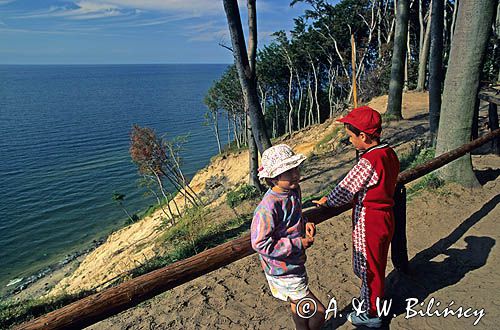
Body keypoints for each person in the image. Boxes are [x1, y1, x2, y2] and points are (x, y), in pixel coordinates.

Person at [314, 106, 400, 328]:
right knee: (376, 263)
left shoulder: (369, 160)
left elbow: (346, 188)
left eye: (351, 137)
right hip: (386, 216)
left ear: (363, 136)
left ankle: (372, 314)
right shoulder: (389, 153)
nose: (350, 141)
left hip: (370, 220)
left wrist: (327, 202)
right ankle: (373, 301)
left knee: (369, 268)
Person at [251, 144, 325, 330]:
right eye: (288, 171)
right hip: (283, 269)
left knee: (296, 303)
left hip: (294, 262)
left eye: (295, 169)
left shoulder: (293, 191)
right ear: (273, 177)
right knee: (319, 312)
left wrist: (305, 221)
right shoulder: (267, 208)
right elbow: (260, 242)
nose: (295, 174)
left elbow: (295, 215)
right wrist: (298, 243)